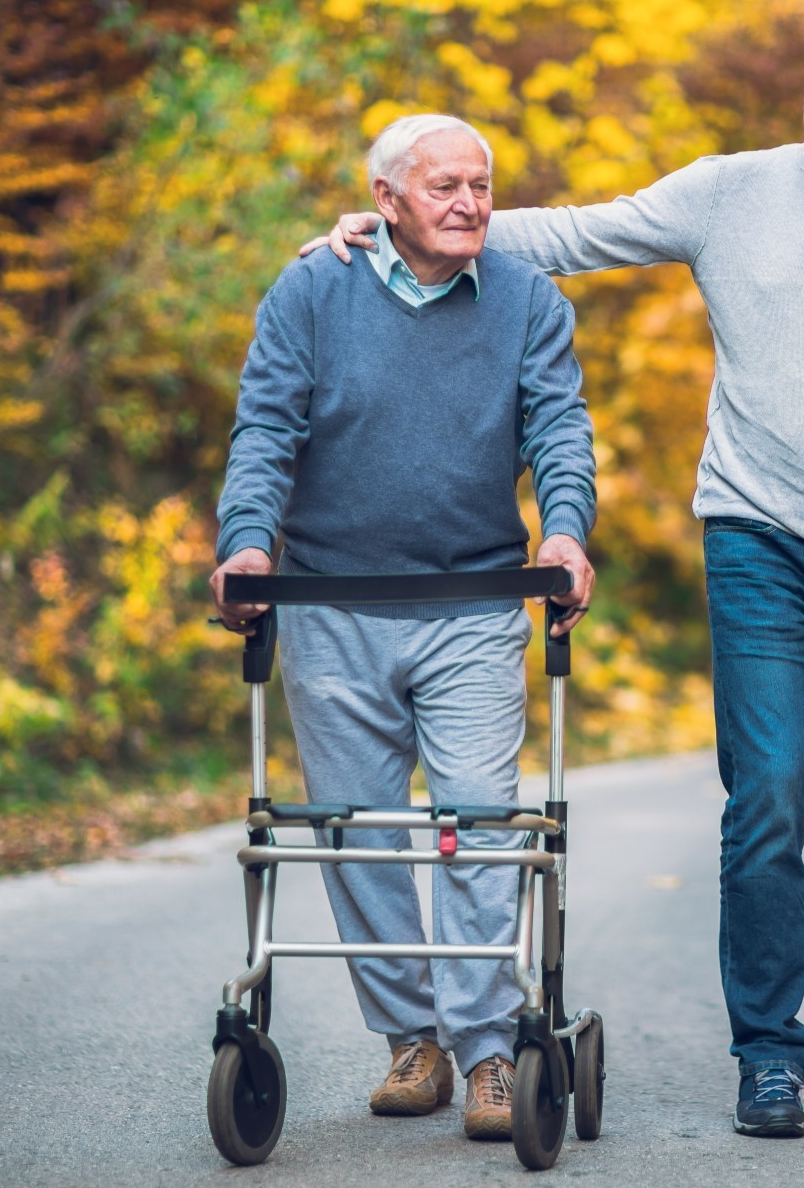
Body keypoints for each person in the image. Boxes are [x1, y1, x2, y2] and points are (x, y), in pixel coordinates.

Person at [305, 10, 804, 1138]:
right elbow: (575, 235)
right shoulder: (731, 190)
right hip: (755, 537)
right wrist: (409, 226)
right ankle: (769, 1053)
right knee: (763, 806)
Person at [210, 113, 597, 1144]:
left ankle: (485, 1054)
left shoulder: (526, 300)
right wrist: (248, 543)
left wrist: (564, 531)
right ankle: (410, 1041)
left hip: (474, 601)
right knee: (359, 829)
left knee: (475, 820)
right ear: (387, 199)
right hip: (330, 600)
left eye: (482, 184)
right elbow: (265, 426)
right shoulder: (312, 289)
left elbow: (559, 425)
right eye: (445, 187)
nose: (471, 203)